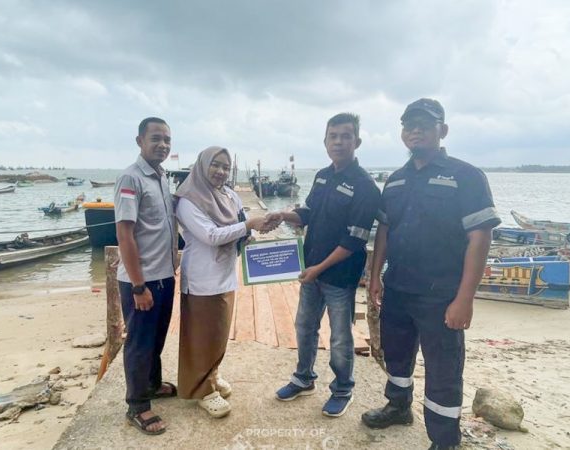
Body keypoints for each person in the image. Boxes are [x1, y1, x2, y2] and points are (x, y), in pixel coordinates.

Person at [361, 99, 501, 450]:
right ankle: (398, 407)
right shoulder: (395, 180)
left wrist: (465, 299)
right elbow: (385, 230)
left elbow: (480, 237)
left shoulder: (466, 176)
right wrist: (375, 277)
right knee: (397, 355)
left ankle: (444, 439)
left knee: (443, 369)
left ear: (443, 130)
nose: (416, 130)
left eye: (425, 124)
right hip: (398, 288)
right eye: (409, 125)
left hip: (442, 294)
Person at [271, 113, 380, 417]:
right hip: (312, 271)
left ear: (357, 141)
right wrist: (282, 215)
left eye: (346, 136)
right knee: (305, 326)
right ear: (325, 141)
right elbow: (307, 214)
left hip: (340, 277)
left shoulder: (365, 186)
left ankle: (343, 389)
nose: (339, 142)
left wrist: (317, 269)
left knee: (340, 336)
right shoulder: (321, 176)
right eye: (333, 136)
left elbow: (353, 240)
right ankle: (304, 378)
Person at [174, 146, 273, 418]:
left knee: (218, 333)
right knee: (201, 335)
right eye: (215, 165)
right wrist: (247, 226)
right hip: (202, 277)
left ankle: (212, 376)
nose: (220, 171)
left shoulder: (229, 195)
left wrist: (253, 231)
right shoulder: (188, 200)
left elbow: (241, 224)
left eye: (226, 167)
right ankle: (201, 390)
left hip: (226, 272)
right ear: (202, 165)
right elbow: (211, 236)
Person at [114, 117, 179, 436]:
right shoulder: (131, 177)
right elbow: (125, 234)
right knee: (139, 343)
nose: (162, 145)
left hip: (165, 275)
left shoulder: (162, 177)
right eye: (155, 138)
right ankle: (137, 406)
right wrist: (139, 285)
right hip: (141, 280)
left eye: (167, 139)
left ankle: (152, 384)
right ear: (140, 141)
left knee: (157, 338)